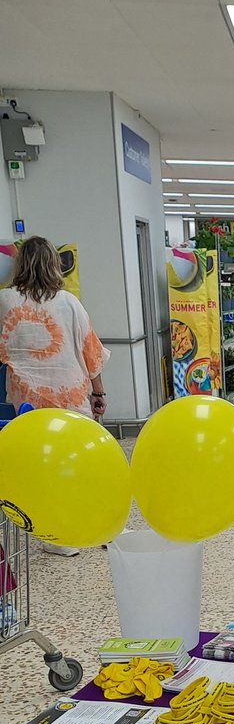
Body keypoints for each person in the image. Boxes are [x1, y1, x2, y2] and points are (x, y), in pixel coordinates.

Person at [0, 235, 109, 556]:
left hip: (27, 402)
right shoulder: (68, 303)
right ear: (52, 265)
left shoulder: (4, 301)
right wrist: (98, 393)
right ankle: (91, 525)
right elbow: (91, 354)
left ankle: (55, 534)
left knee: (42, 466)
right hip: (71, 399)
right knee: (80, 462)